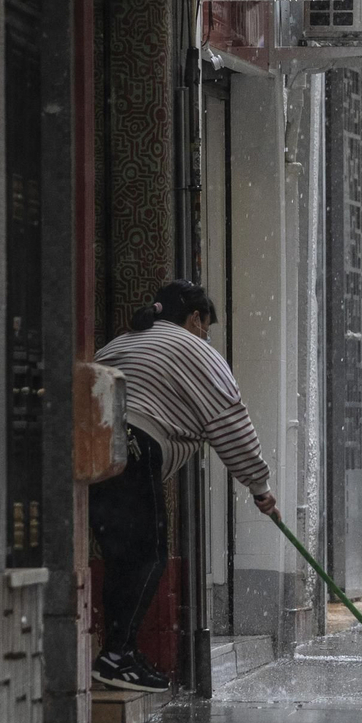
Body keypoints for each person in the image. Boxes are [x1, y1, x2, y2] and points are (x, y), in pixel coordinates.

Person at [89, 280, 278, 692]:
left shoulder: (122, 342)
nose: (206, 334)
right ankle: (116, 656)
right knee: (149, 556)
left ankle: (120, 651)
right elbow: (230, 422)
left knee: (121, 558)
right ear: (194, 318)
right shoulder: (195, 349)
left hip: (92, 452)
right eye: (206, 325)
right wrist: (260, 487)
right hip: (135, 449)